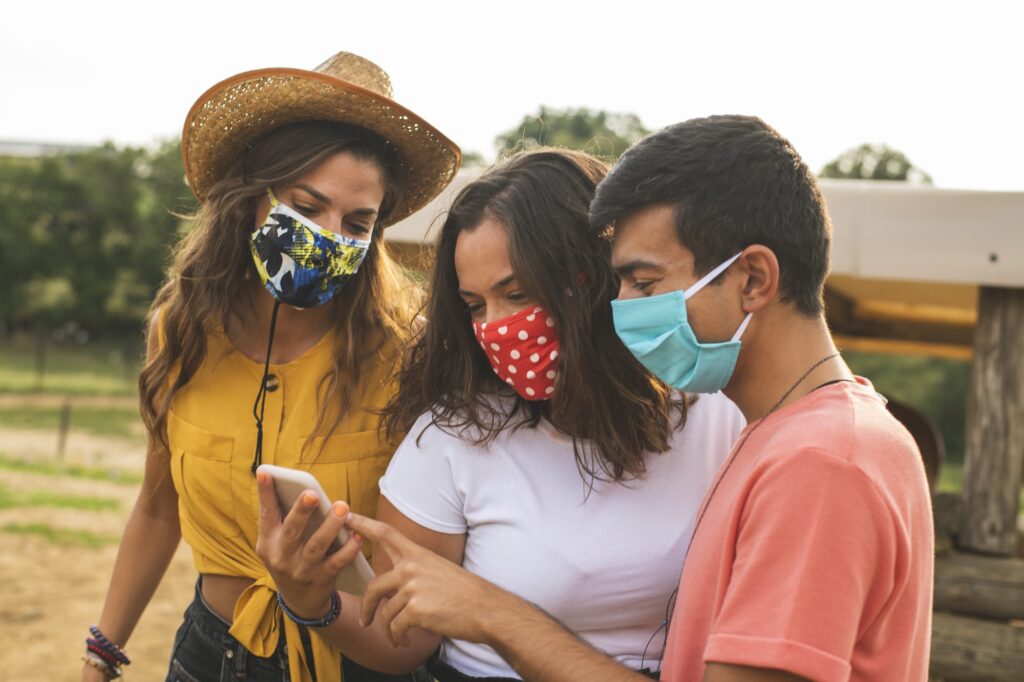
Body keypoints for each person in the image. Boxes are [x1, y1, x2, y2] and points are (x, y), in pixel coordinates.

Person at [342, 116, 935, 682]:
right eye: (476, 305)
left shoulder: (817, 462)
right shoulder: (796, 437)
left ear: (754, 279)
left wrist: (493, 614)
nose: (622, 305)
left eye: (644, 284)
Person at [255, 148, 745, 679]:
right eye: (475, 305)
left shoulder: (720, 414)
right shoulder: (452, 439)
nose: (498, 328)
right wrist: (311, 601)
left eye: (517, 292)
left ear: (597, 273)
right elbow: (400, 638)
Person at [80, 52, 460, 682]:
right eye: (307, 207)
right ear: (253, 200)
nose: (328, 235)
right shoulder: (179, 334)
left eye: (357, 222)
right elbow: (157, 506)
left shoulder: (410, 355)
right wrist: (103, 651)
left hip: (359, 662)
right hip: (209, 655)